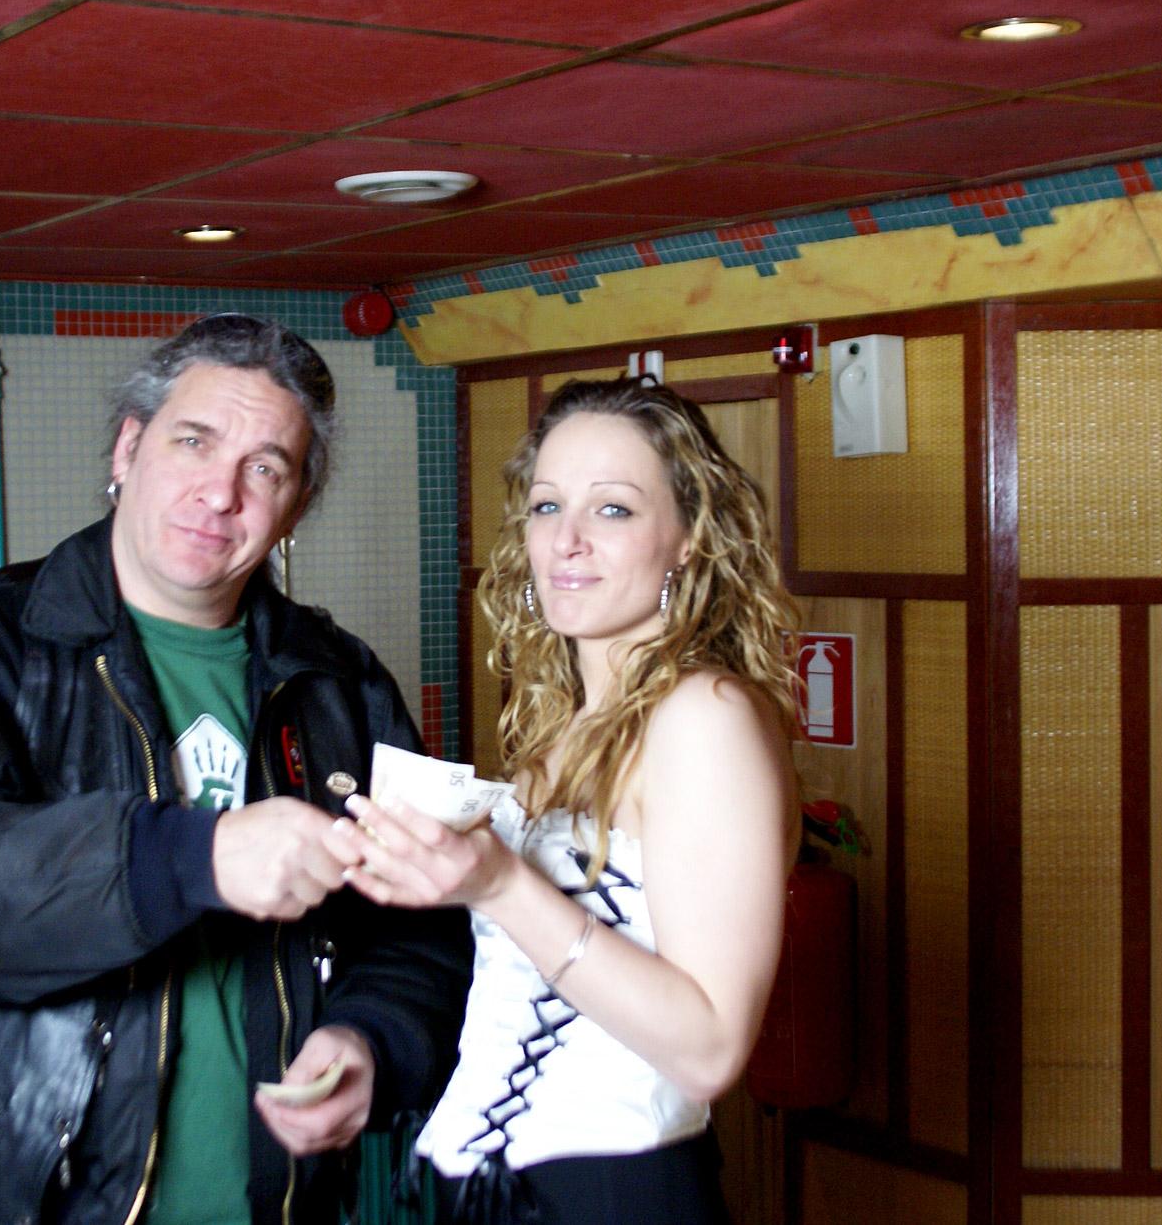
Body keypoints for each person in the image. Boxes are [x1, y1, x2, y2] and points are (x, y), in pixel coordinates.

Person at [0, 314, 472, 1225]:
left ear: (295, 506)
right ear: (128, 448)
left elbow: (422, 925)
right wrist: (189, 857)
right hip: (25, 1206)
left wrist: (374, 1035)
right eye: (194, 442)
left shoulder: (338, 679)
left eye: (265, 468)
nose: (220, 493)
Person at [323, 377, 802, 1224]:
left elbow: (711, 1049)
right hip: (476, 1191)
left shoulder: (705, 714)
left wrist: (501, 884)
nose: (567, 541)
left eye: (612, 509)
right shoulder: (560, 730)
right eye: (548, 506)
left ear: (689, 536)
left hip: (613, 1191)